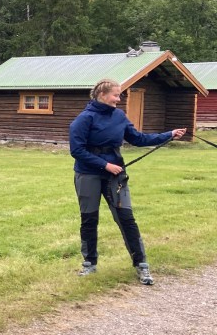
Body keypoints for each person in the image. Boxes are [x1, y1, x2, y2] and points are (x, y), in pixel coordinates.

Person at [69, 78, 186, 285]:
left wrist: (168, 135)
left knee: (126, 218)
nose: (119, 98)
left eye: (119, 94)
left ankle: (141, 265)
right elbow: (77, 150)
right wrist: (104, 165)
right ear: (103, 95)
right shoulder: (84, 119)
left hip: (115, 176)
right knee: (89, 219)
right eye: (116, 94)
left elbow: (138, 139)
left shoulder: (119, 116)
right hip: (88, 174)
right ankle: (89, 264)